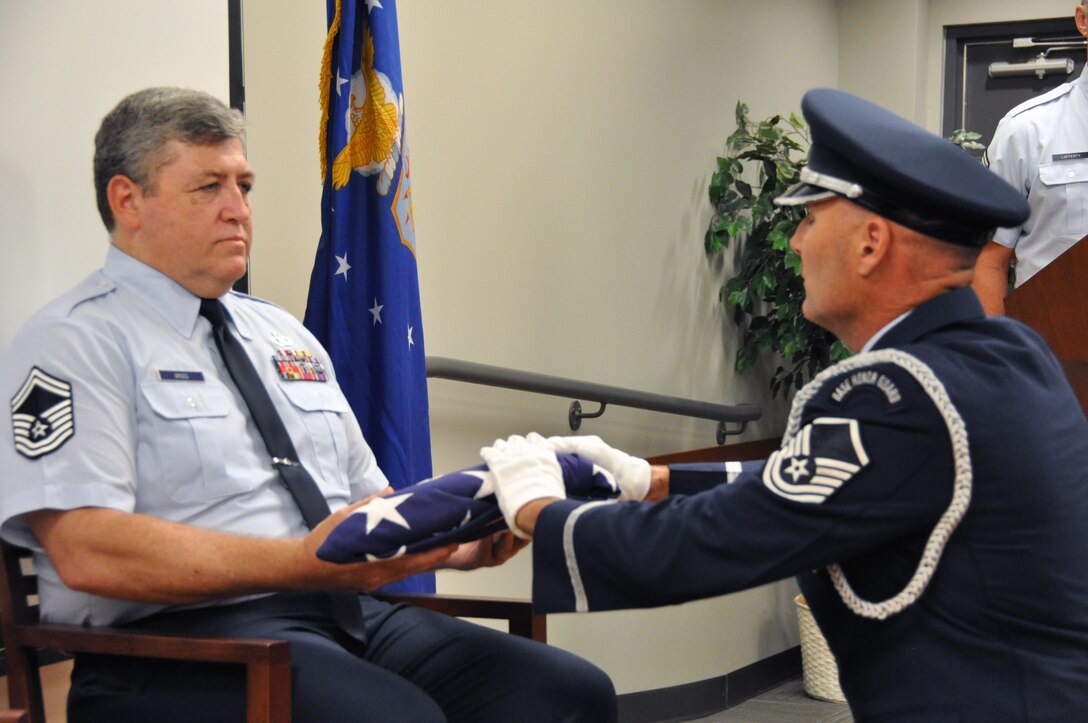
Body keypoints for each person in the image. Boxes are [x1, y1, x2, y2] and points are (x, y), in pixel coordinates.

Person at [0, 87, 616, 722]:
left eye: (245, 185)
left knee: (565, 694)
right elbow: (86, 548)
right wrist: (302, 562)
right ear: (128, 200)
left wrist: (464, 540)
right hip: (172, 647)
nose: (238, 210)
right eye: (208, 187)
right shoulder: (74, 341)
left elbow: (368, 506)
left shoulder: (283, 336)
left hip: (341, 615)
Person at [484, 88, 1088, 719]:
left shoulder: (897, 393)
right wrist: (655, 479)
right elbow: (843, 480)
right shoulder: (1009, 351)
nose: (796, 243)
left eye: (810, 219)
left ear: (871, 243)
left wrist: (533, 508)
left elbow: (711, 544)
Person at [973, 0, 1088, 315]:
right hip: (1051, 350)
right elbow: (989, 259)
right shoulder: (1026, 129)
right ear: (1083, 20)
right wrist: (1000, 357)